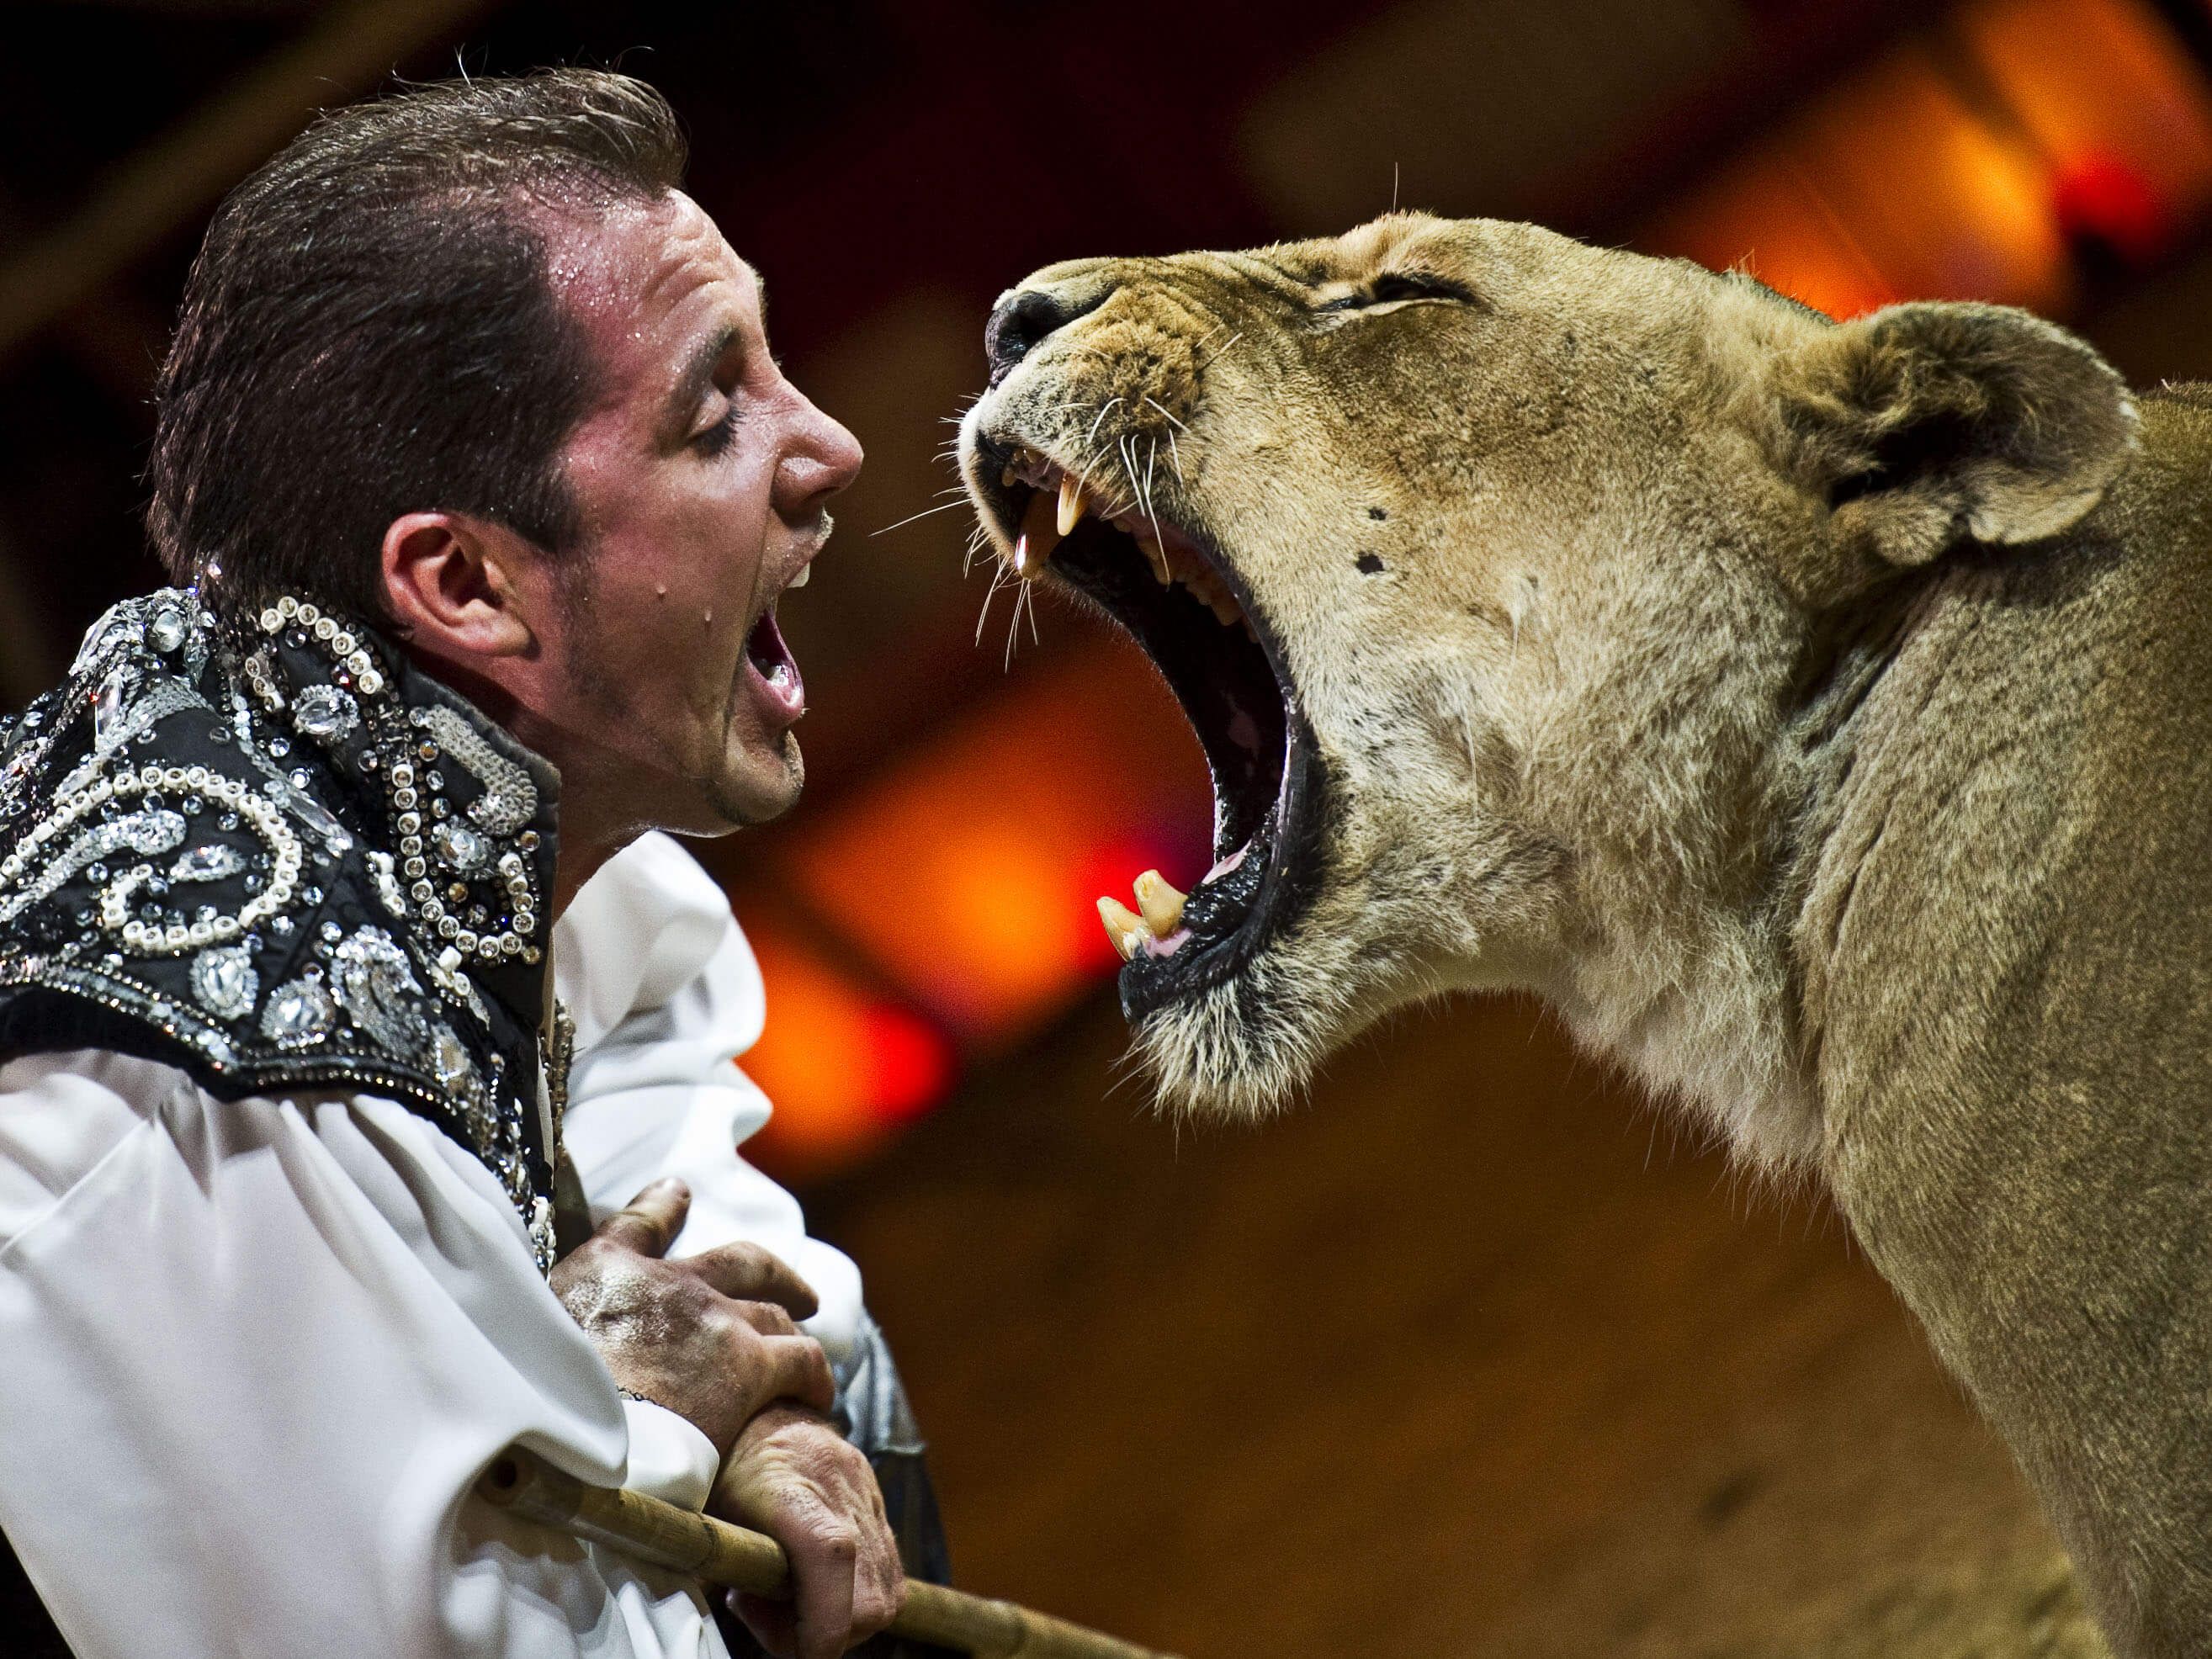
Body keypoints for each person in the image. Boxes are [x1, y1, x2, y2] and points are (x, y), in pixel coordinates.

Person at [0, 69, 946, 1658]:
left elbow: (647, 1067)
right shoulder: (212, 1080)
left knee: (845, 1395)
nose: (831, 447)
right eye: (717, 415)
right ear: (463, 584)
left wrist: (739, 1393)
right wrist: (634, 1425)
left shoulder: (426, 783)